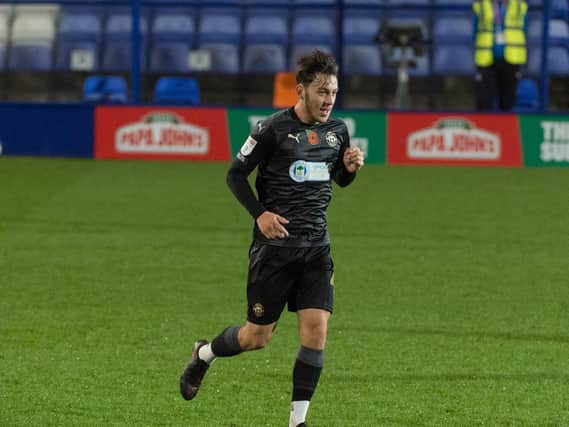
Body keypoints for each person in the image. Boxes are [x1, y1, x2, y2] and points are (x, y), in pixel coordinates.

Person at [179, 50, 364, 427]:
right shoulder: (271, 130)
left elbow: (336, 180)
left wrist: (348, 170)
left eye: (333, 91)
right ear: (301, 90)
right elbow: (234, 175)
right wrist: (260, 214)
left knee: (316, 333)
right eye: (321, 91)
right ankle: (204, 354)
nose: (329, 99)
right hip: (275, 251)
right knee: (256, 338)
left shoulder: (339, 131)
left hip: (316, 248)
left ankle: (297, 422)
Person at [473, 0, 528, 111]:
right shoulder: (481, 5)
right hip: (486, 58)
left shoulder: (519, 5)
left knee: (508, 102)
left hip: (512, 58)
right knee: (485, 102)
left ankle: (506, 127)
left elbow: (525, 29)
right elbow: (474, 30)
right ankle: (486, 126)